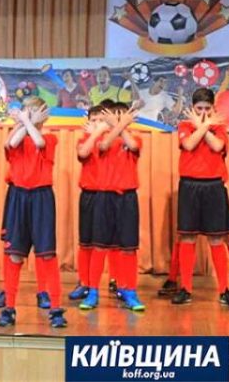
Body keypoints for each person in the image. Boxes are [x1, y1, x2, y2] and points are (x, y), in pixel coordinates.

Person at [0, 97, 67, 328]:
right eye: (28, 110)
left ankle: (55, 308)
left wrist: (28, 121)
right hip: (18, 197)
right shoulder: (18, 135)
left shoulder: (50, 138)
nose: (31, 114)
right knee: (14, 254)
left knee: (46, 254)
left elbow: (39, 141)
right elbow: (12, 143)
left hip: (41, 198)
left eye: (36, 111)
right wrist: (25, 122)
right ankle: (9, 307)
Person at [171, 88, 229, 307]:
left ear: (213, 108)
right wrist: (203, 126)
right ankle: (186, 288)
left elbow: (217, 146)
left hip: (213, 186)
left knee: (216, 239)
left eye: (207, 109)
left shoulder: (219, 128)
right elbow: (189, 144)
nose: (203, 112)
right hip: (189, 186)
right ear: (192, 108)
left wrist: (205, 126)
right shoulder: (184, 126)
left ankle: (224, 290)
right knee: (188, 237)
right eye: (199, 108)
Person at [80, 102, 146, 311]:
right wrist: (119, 124)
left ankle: (129, 291)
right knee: (99, 246)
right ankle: (92, 291)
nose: (117, 120)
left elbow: (133, 146)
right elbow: (103, 146)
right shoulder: (101, 138)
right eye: (114, 116)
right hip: (104, 197)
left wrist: (122, 126)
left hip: (127, 198)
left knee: (129, 248)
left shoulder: (134, 138)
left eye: (121, 116)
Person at [68, 105, 107, 301]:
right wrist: (94, 135)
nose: (97, 124)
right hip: (89, 194)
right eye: (93, 120)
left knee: (102, 243)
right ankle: (84, 282)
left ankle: (96, 286)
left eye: (101, 120)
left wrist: (101, 134)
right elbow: (83, 153)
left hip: (107, 195)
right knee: (86, 242)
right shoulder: (85, 140)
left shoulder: (111, 140)